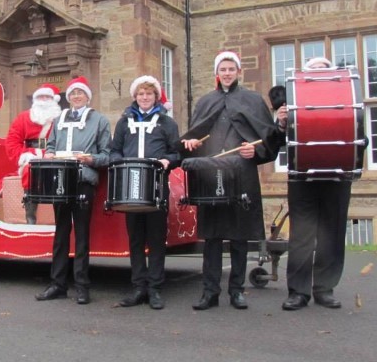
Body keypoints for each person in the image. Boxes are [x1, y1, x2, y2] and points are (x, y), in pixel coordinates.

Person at [181, 51, 281, 310]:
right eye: (223, 69)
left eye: (231, 69)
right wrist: (191, 143)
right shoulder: (205, 102)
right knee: (212, 236)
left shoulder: (252, 100)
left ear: (238, 72)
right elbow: (194, 137)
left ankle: (236, 290)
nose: (227, 73)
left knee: (239, 236)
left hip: (241, 173)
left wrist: (254, 151)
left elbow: (269, 138)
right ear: (218, 73)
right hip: (211, 174)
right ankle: (209, 291)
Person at [280, 57, 362, 311]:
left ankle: (325, 289)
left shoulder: (346, 100)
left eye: (322, 70)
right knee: (301, 236)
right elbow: (279, 141)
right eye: (313, 70)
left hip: (337, 176)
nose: (317, 74)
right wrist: (282, 122)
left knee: (332, 234)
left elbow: (361, 137)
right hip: (302, 177)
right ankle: (298, 292)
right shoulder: (293, 104)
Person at [35, 76, 111, 305]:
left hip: (83, 180)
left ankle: (82, 286)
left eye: (80, 93)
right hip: (60, 180)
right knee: (60, 234)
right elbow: (50, 145)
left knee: (81, 235)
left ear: (88, 96)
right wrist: (48, 154)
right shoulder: (59, 120)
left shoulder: (99, 120)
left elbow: (107, 155)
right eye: (73, 94)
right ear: (69, 98)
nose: (77, 97)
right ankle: (57, 284)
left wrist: (91, 159)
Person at [110, 75, 180, 310]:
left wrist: (165, 161)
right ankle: (139, 287)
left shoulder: (167, 123)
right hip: (130, 186)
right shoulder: (123, 122)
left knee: (157, 239)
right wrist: (121, 163)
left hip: (156, 185)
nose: (144, 97)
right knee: (136, 239)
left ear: (155, 96)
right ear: (135, 97)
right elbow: (114, 151)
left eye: (148, 93)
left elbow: (176, 153)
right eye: (140, 94)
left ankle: (155, 288)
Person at [5, 83, 62, 224]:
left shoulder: (61, 119)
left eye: (47, 97)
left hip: (55, 154)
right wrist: (24, 155)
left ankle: (61, 217)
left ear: (53, 100)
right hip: (30, 155)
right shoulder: (23, 117)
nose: (43, 100)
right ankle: (30, 216)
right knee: (29, 171)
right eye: (40, 96)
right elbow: (12, 141)